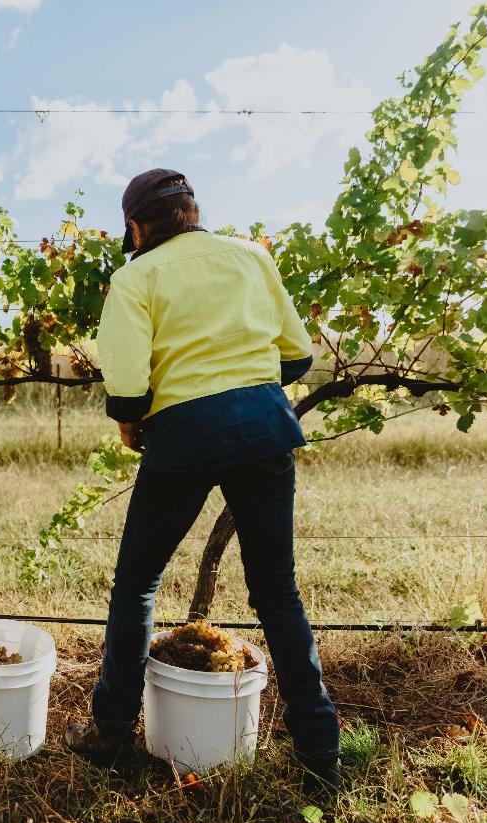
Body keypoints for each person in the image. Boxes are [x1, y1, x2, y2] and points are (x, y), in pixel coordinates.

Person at [63, 169, 341, 789]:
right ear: (192, 211)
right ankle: (320, 749)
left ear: (135, 226)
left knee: (137, 583)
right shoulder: (250, 256)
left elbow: (129, 387)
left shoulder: (135, 277)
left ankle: (109, 732)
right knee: (277, 590)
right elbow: (296, 355)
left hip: (183, 438)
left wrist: (134, 421)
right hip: (264, 431)